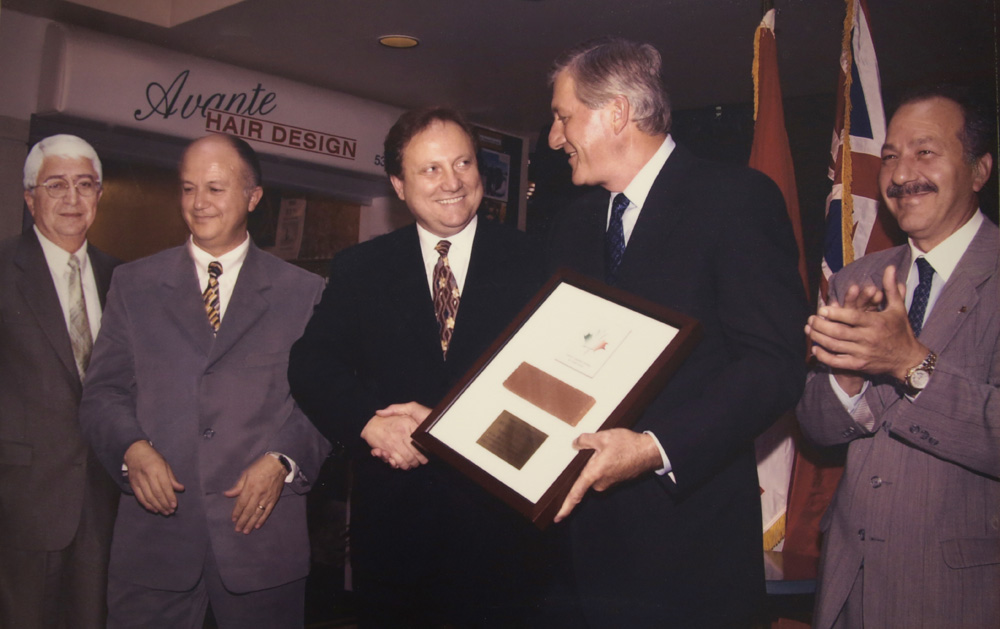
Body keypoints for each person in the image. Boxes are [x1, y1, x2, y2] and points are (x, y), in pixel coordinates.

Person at [542, 38, 807, 627]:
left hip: (690, 547)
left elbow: (774, 365)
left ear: (615, 113)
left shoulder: (735, 200)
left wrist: (653, 447)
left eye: (563, 117)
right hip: (581, 551)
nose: (555, 137)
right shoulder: (572, 224)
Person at [288, 107, 544, 627]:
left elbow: (552, 390)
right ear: (399, 185)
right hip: (395, 536)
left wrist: (449, 425)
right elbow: (310, 364)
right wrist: (369, 423)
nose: (452, 182)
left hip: (506, 536)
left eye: (463, 163)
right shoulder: (361, 268)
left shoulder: (537, 262)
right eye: (430, 170)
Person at [79, 134, 331, 628]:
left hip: (261, 540)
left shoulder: (304, 293)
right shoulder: (133, 285)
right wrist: (131, 448)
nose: (198, 203)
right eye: (188, 188)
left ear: (252, 198)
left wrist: (284, 460)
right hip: (156, 541)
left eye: (215, 188)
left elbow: (321, 403)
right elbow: (103, 393)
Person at [797, 86, 998, 627]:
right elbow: (815, 427)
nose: (901, 174)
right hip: (849, 586)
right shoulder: (854, 279)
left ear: (979, 171)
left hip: (965, 596)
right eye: (889, 157)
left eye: (925, 152)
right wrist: (847, 375)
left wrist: (913, 365)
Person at [0, 134, 120, 628]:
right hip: (18, 503)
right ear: (30, 198)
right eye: (56, 185)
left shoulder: (125, 279)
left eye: (84, 184)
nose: (72, 199)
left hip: (107, 504)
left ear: (98, 195)